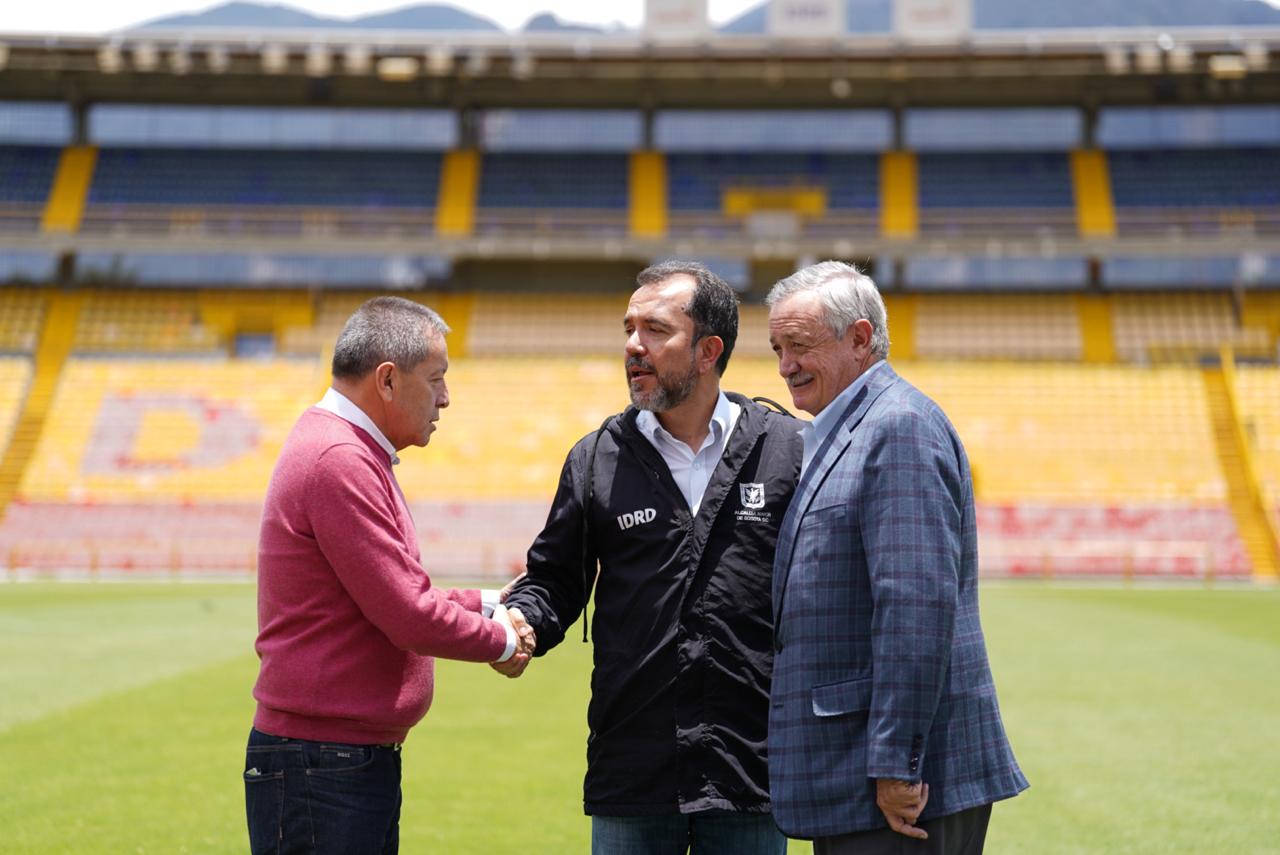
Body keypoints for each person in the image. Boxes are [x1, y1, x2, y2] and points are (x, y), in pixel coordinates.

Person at [502, 261, 805, 855]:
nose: (633, 347)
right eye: (628, 329)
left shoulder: (787, 450)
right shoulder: (595, 459)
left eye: (655, 330)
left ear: (707, 350)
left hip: (750, 768)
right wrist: (525, 621)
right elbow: (555, 582)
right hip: (631, 768)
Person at [244, 296, 534, 855]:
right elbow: (405, 613)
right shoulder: (338, 458)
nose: (446, 398)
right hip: (324, 764)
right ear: (387, 381)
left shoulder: (344, 450)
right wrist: (502, 640)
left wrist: (486, 601)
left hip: (332, 760)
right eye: (437, 379)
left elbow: (384, 592)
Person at [764, 261, 1027, 855]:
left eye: (800, 346)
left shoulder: (898, 427)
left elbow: (914, 609)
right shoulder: (852, 426)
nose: (785, 366)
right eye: (778, 348)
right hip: (861, 777)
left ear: (860, 339)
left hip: (903, 789)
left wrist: (896, 764)